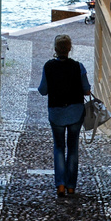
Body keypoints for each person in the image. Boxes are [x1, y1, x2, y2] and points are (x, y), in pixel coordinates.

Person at [38, 34, 91, 197]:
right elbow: (87, 90)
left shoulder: (48, 67)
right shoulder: (78, 66)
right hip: (75, 112)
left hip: (56, 113)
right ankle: (71, 186)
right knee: (73, 148)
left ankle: (60, 185)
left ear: (55, 49)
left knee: (59, 147)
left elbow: (43, 90)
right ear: (70, 48)